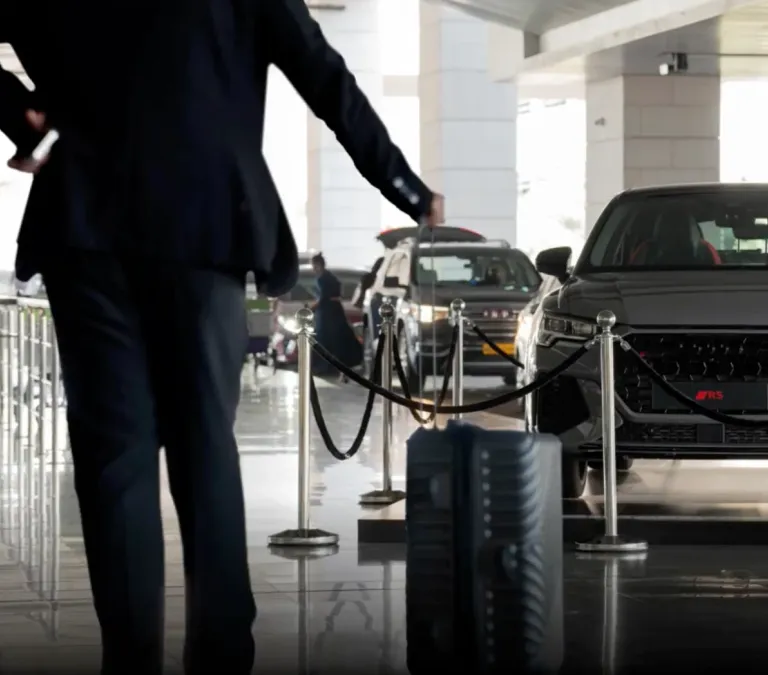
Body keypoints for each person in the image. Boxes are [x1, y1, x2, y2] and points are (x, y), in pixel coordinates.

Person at [0, 2, 444, 673]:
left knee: (115, 457)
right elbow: (324, 76)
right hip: (205, 220)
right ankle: (221, 655)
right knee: (203, 442)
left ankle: (131, 658)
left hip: (86, 222)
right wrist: (405, 187)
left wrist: (23, 115)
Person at [310, 253, 362, 378]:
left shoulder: (324, 278)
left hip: (328, 311)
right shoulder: (327, 276)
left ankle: (326, 366)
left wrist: (312, 307)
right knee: (334, 336)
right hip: (332, 310)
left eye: (314, 265)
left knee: (325, 337)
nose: (313, 268)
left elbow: (323, 296)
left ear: (319, 265)